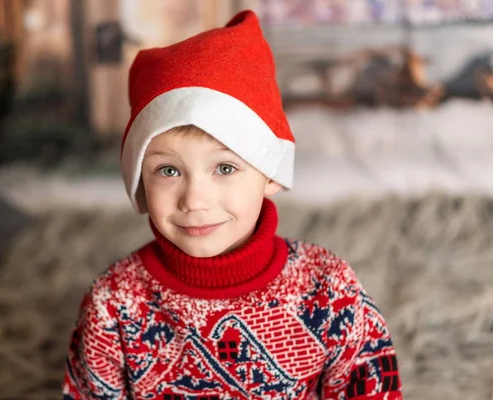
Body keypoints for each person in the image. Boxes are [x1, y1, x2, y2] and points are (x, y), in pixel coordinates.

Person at [62, 10, 402, 400]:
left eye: (224, 167)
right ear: (140, 179)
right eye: (168, 170)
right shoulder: (114, 303)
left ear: (271, 173)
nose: (195, 199)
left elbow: (373, 389)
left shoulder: (328, 289)